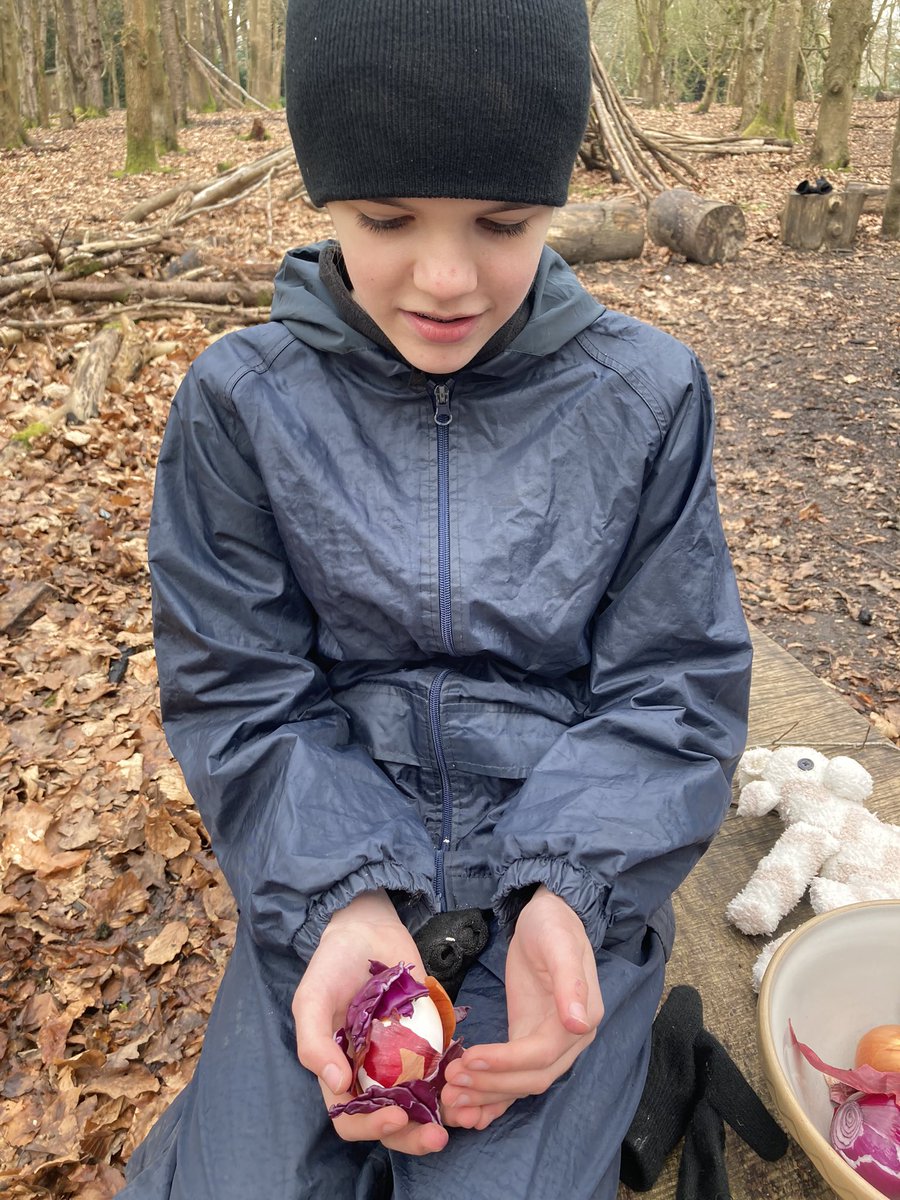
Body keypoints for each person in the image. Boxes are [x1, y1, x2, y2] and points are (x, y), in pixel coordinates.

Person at [120, 1, 752, 1197]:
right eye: (387, 218)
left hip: (563, 855)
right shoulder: (241, 404)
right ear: (325, 198)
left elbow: (673, 686)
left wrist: (573, 896)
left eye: (503, 222)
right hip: (330, 851)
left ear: (559, 205)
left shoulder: (649, 394)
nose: (448, 278)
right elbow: (241, 689)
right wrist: (340, 902)